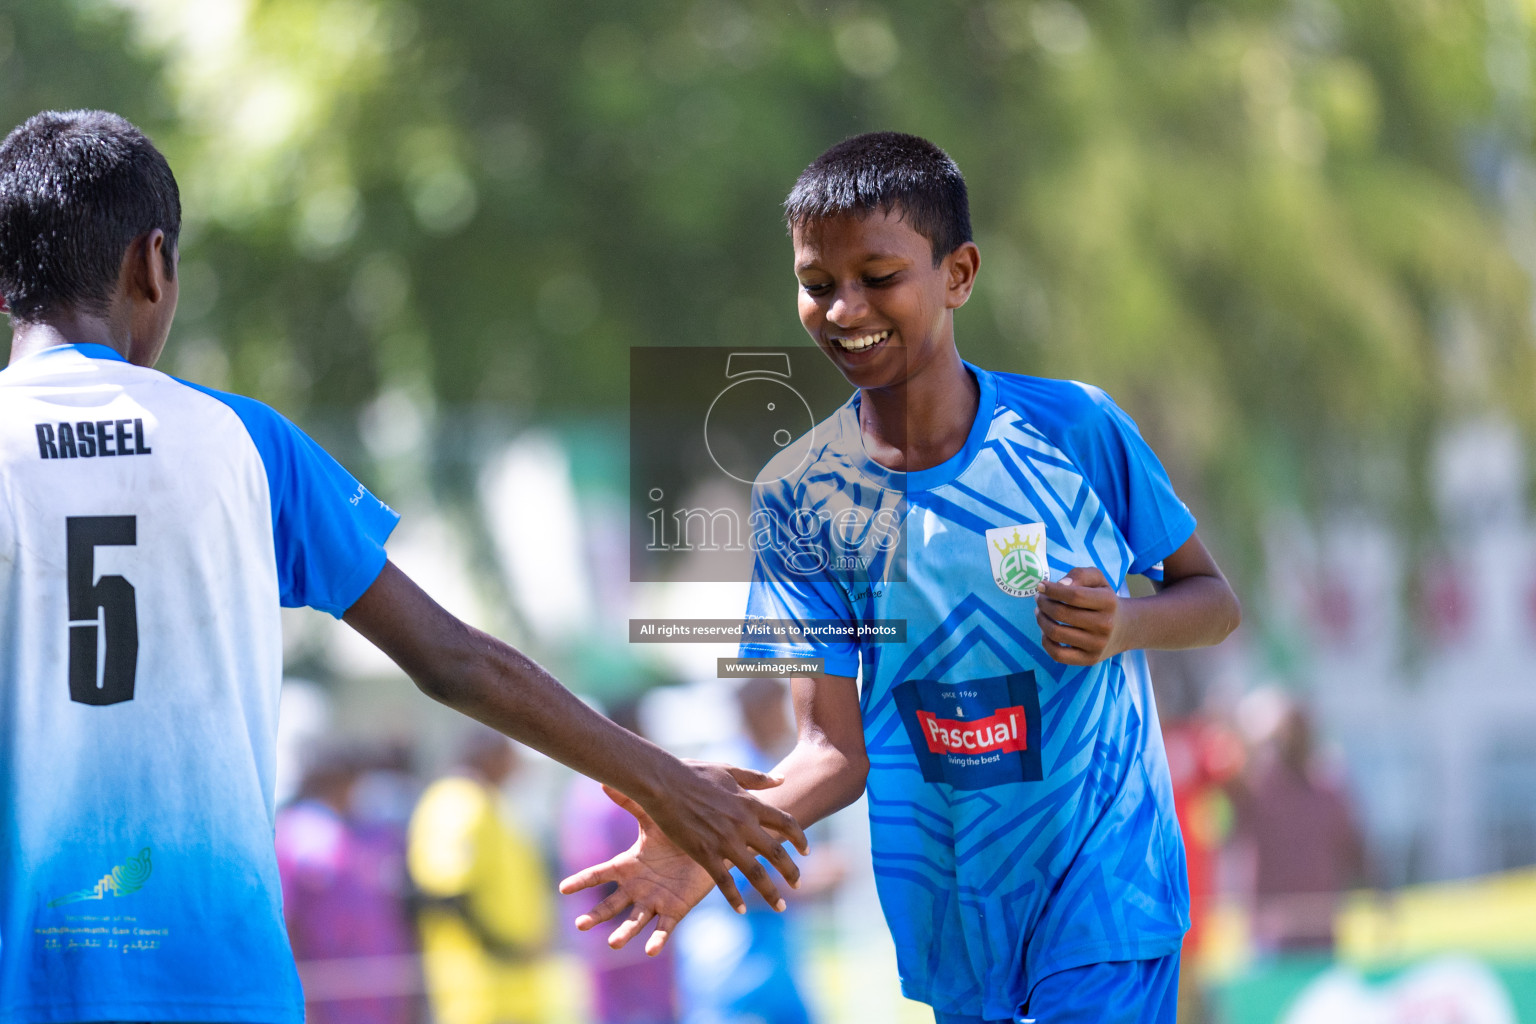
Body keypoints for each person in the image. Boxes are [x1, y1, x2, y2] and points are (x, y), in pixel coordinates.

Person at [0, 109, 804, 1023]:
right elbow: (452, 659)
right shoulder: (250, 446)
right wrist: (666, 785)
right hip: (223, 991)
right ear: (154, 263)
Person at [563, 132, 1242, 1024]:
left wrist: (1124, 624)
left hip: (1108, 886)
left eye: (878, 277)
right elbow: (833, 754)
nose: (845, 309)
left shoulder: (1075, 427)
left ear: (957, 274)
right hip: (951, 908)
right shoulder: (800, 498)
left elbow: (1212, 601)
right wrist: (709, 840)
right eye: (817, 284)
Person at [409, 727, 554, 1024]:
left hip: (512, 986)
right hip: (477, 988)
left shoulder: (490, 800)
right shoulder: (456, 800)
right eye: (510, 755)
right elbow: (444, 896)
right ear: (490, 755)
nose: (516, 765)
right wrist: (503, 949)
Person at [275, 742, 421, 1024]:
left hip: (384, 993)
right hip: (325, 996)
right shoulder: (297, 833)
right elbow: (285, 922)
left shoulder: (376, 833)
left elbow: (398, 916)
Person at [1232, 697, 1368, 954]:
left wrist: (1379, 896)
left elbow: (1354, 848)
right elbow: (1227, 821)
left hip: (1320, 935)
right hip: (1270, 936)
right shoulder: (1258, 789)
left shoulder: (1329, 792)